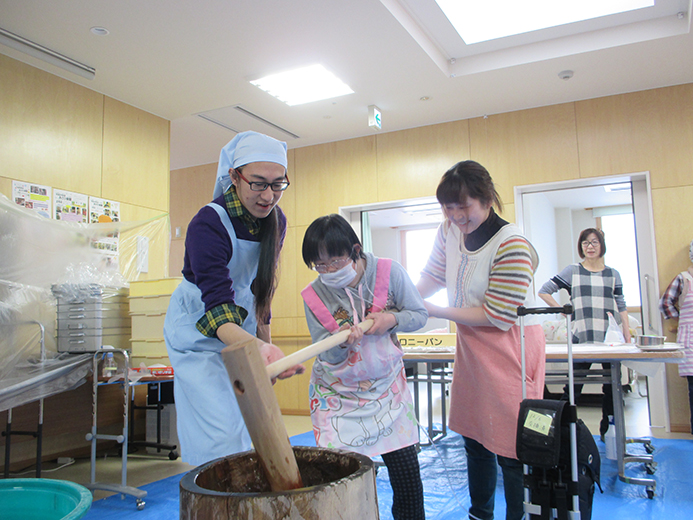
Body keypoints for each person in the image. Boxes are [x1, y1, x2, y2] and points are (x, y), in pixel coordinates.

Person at [164, 131, 303, 466]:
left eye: (278, 184)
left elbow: (261, 291)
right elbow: (218, 310)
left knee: (252, 429)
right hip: (199, 331)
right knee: (220, 435)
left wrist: (265, 347)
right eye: (258, 183)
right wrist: (259, 350)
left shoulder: (276, 222)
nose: (268, 195)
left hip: (241, 328)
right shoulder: (208, 224)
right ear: (234, 177)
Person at [416, 160, 544, 520]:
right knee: (474, 437)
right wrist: (403, 300)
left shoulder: (513, 244)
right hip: (472, 345)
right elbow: (433, 274)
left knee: (510, 444)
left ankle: (518, 515)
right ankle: (480, 513)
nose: (456, 216)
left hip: (509, 347)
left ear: (487, 200)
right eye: (449, 208)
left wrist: (434, 311)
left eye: (464, 207)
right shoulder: (449, 231)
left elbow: (497, 314)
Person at [301, 214, 427, 520]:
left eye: (336, 260)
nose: (328, 270)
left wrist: (391, 319)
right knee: (341, 477)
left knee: (406, 473)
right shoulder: (314, 295)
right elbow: (325, 353)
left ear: (355, 250)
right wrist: (341, 343)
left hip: (386, 391)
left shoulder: (389, 272)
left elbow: (419, 314)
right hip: (338, 395)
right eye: (320, 265)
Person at [538, 228, 631, 440]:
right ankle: (557, 432)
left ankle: (608, 434)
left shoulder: (612, 274)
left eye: (594, 242)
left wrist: (626, 330)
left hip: (609, 340)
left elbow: (621, 304)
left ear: (602, 246)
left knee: (611, 388)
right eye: (585, 243)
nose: (590, 247)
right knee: (573, 387)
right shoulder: (573, 271)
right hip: (581, 338)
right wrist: (562, 310)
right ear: (581, 247)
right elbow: (544, 290)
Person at [659, 239, 693, 433]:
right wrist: (680, 319)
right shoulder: (684, 278)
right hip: (690, 338)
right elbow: (665, 302)